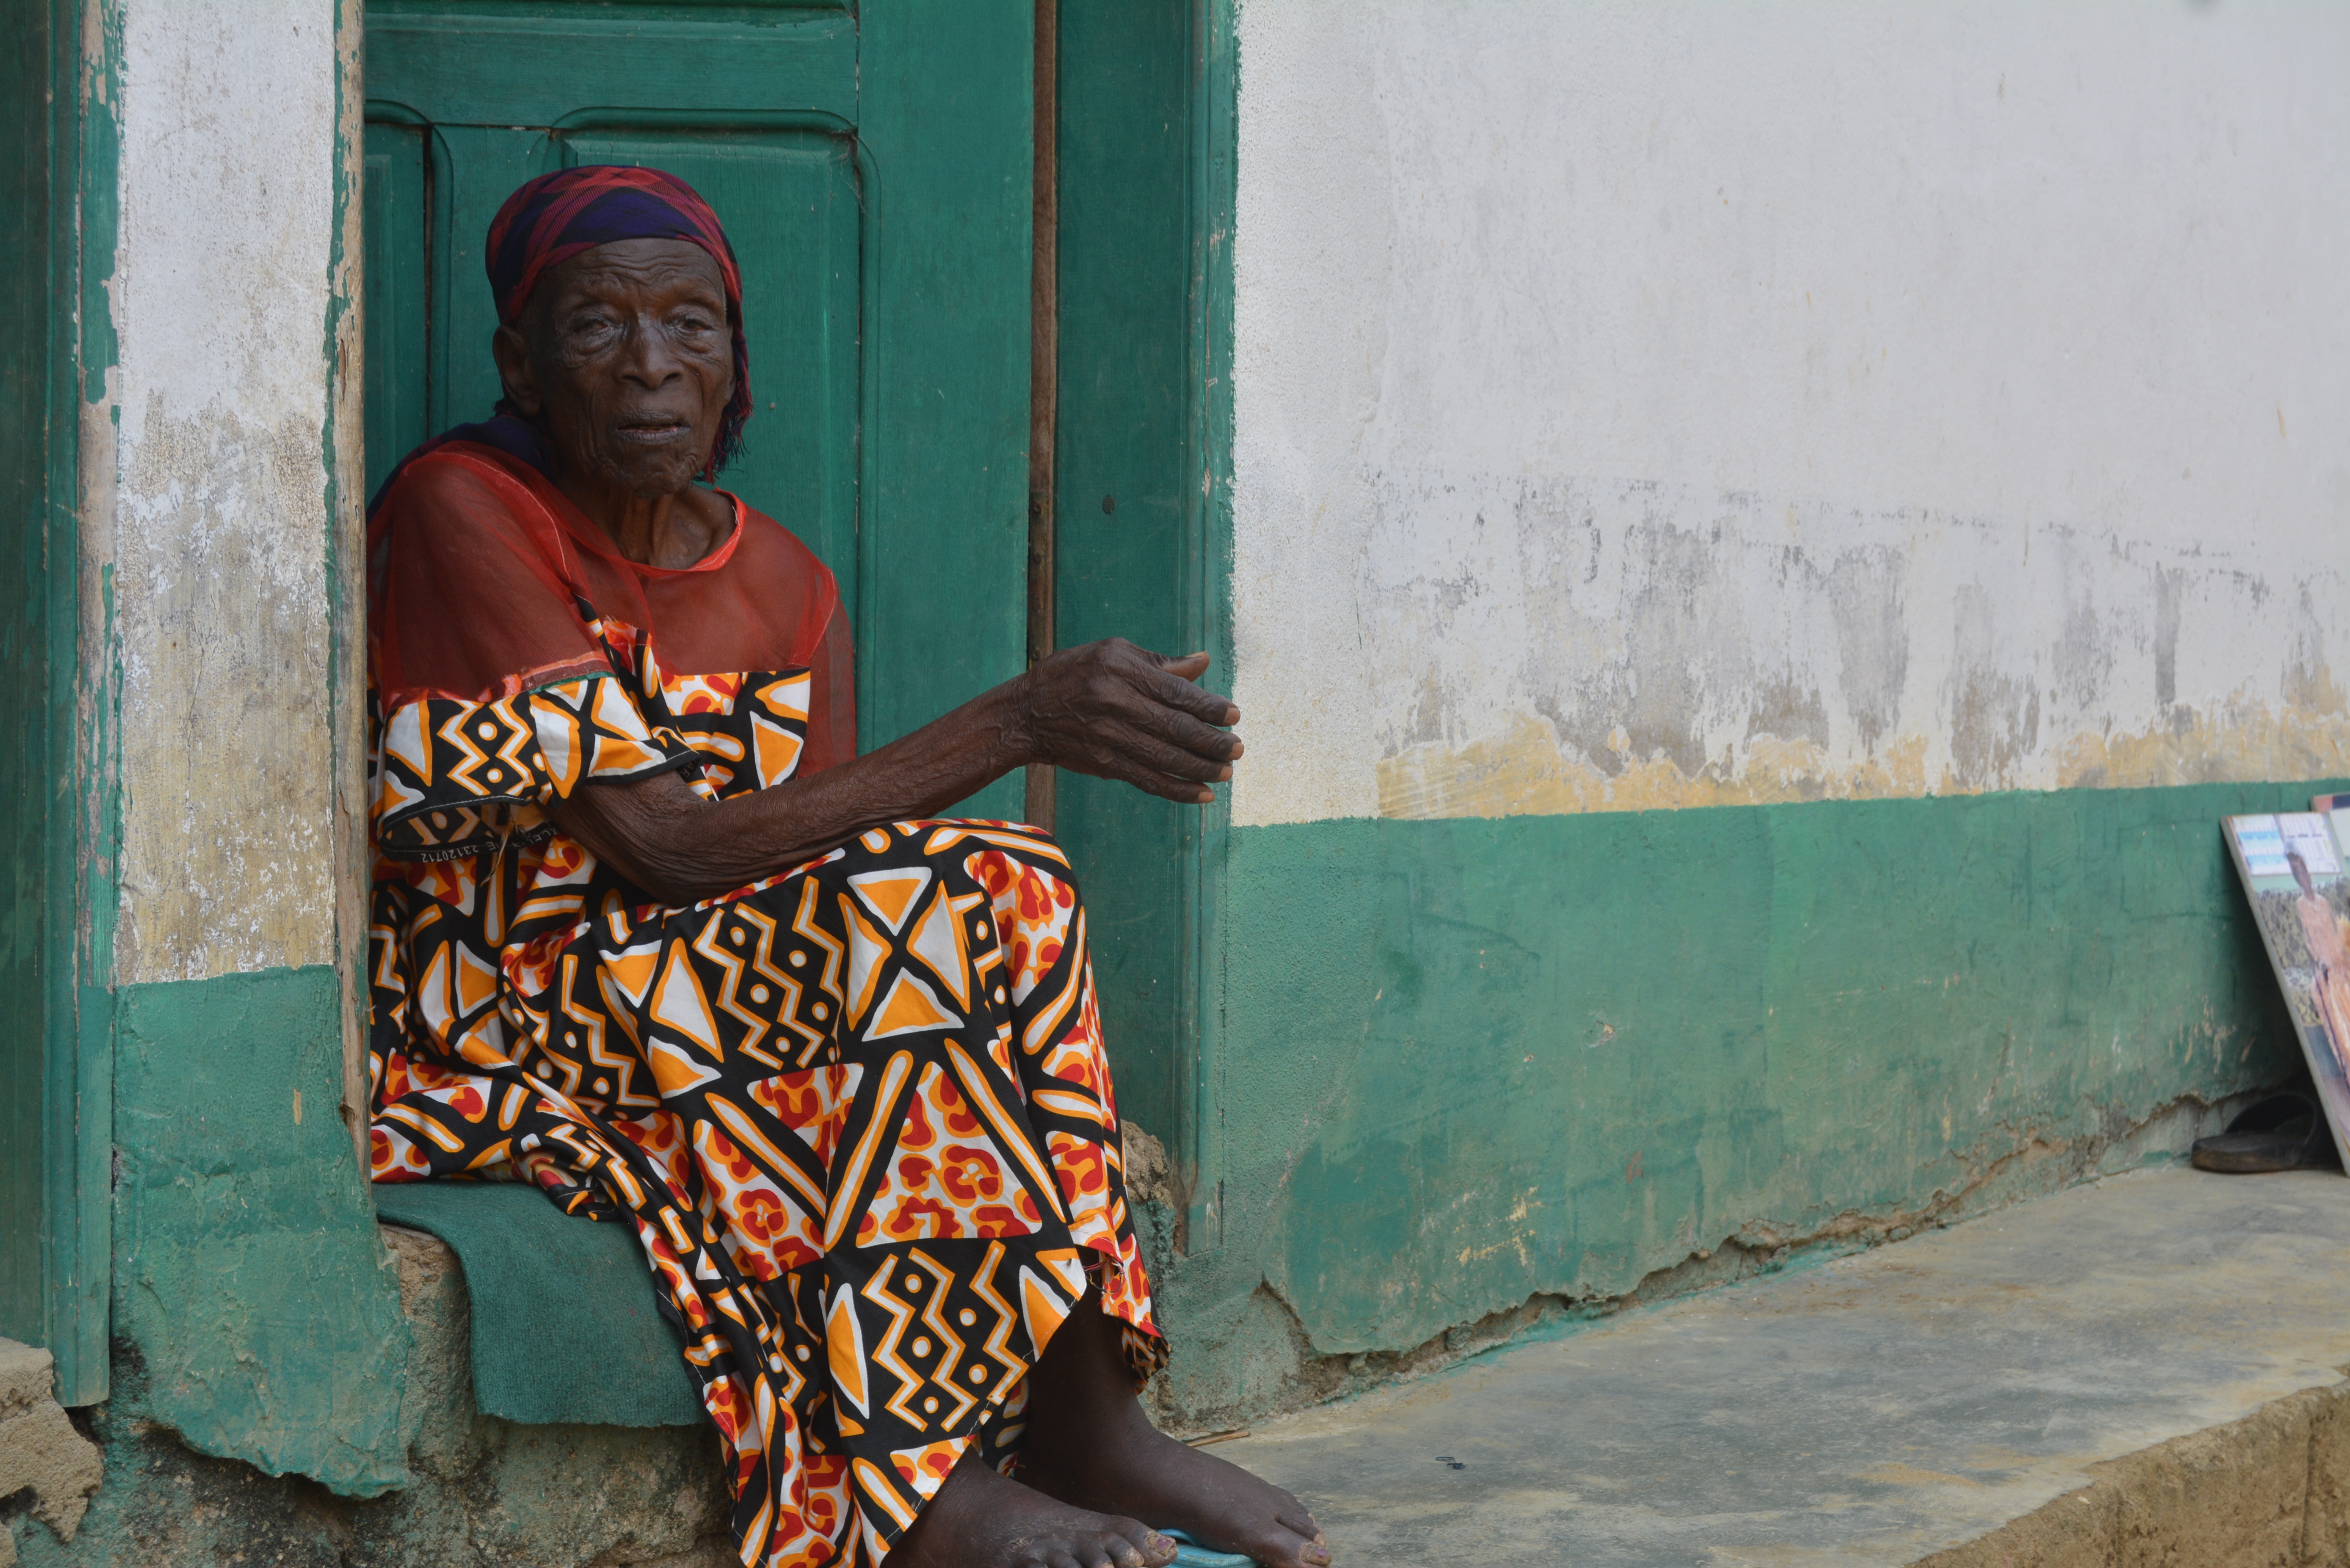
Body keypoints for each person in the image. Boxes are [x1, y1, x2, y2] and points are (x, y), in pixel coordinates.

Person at [366, 166, 1328, 1568]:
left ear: (735, 360)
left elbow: (829, 863)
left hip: (700, 989)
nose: (649, 364)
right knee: (935, 893)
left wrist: (979, 797)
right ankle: (916, 1485)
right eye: (596, 327)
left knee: (1004, 883)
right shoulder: (465, 507)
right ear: (522, 364)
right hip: (508, 1006)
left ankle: (1087, 1416)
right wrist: (1017, 721)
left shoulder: (786, 581)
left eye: (689, 323)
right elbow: (662, 846)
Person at [2288, 851, 2350, 1079]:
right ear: (2296, 878)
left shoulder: (2323, 901)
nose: (2303, 877)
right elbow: (2308, 940)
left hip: (2339, 955)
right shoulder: (2300, 905)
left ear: (2309, 872)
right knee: (2331, 993)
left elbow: (2336, 929)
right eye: (2297, 874)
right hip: (2324, 960)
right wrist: (2322, 961)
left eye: (2303, 871)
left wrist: (2343, 954)